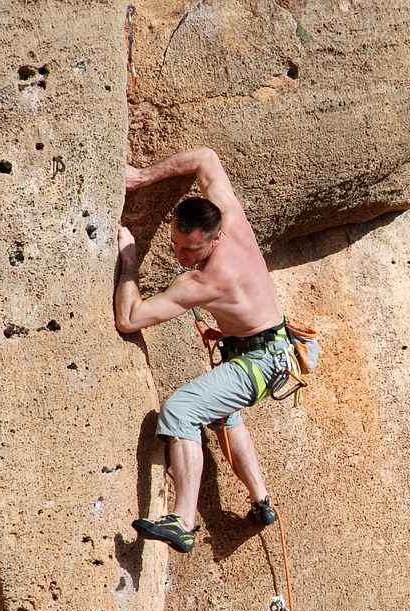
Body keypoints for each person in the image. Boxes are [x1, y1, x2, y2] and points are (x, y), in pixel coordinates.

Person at [116, 147, 288, 553]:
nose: (180, 256)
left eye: (190, 251)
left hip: (260, 361)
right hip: (272, 350)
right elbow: (205, 158)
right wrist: (141, 177)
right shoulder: (231, 215)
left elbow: (129, 319)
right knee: (223, 415)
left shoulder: (204, 282)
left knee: (181, 409)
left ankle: (182, 521)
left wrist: (129, 260)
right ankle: (261, 500)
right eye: (176, 244)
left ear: (216, 237)